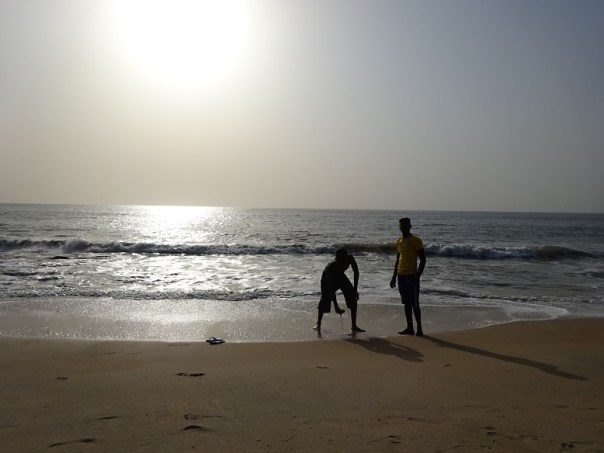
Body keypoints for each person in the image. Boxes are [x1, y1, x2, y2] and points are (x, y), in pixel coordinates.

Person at [390, 217, 426, 336]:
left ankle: (419, 328)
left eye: (405, 226)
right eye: (401, 226)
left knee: (415, 303)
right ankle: (410, 328)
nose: (403, 228)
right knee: (406, 303)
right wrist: (393, 277)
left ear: (410, 226)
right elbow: (397, 259)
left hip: (412, 276)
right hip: (401, 275)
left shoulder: (416, 240)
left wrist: (417, 276)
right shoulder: (399, 241)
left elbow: (423, 259)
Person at [315, 248, 365, 333]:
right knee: (325, 298)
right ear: (336, 259)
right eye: (340, 260)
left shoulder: (350, 258)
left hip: (340, 276)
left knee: (352, 297)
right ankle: (318, 324)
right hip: (327, 280)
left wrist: (355, 290)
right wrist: (336, 306)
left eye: (344, 259)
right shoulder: (330, 267)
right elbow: (331, 288)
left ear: (347, 257)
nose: (343, 262)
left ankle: (354, 326)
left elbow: (356, 272)